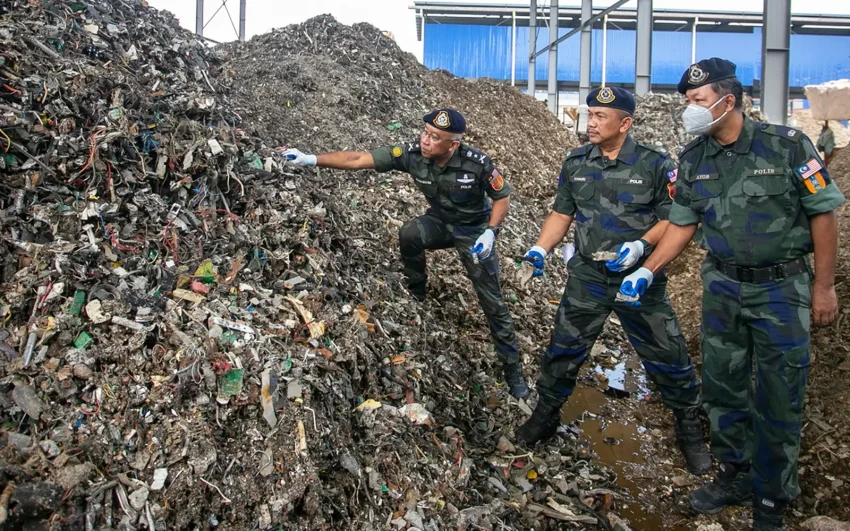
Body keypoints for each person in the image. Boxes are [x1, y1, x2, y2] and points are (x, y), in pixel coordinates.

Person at [618, 58, 845, 531]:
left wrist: (824, 286)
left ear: (728, 100)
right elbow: (683, 223)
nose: (690, 109)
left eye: (698, 100)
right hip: (722, 287)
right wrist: (647, 269)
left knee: (780, 392)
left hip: (781, 288)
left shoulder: (787, 145)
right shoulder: (694, 158)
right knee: (723, 387)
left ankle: (772, 497)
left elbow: (823, 214)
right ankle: (735, 474)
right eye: (687, 101)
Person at [514, 87, 711, 474]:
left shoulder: (654, 163)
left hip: (637, 279)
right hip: (587, 276)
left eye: (600, 117)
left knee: (667, 354)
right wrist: (540, 248)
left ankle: (689, 427)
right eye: (589, 114)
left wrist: (641, 247)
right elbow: (562, 213)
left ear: (625, 123)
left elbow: (672, 218)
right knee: (563, 349)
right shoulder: (576, 161)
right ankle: (546, 414)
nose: (590, 123)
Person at [283, 108, 530, 399]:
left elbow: (502, 196)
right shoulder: (411, 154)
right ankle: (417, 290)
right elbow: (359, 159)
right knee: (410, 234)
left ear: (453, 144)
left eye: (435, 137)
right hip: (440, 223)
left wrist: (491, 231)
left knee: (492, 300)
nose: (425, 140)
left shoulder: (477, 164)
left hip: (474, 232)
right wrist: (311, 159)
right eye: (425, 132)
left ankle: (513, 370)